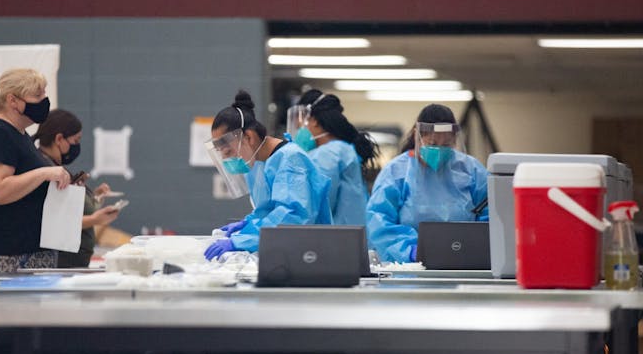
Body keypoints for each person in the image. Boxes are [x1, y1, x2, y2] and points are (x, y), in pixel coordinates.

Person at [204, 90, 332, 259]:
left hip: (310, 256)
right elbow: (267, 213)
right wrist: (247, 224)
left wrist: (240, 242)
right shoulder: (257, 164)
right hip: (284, 255)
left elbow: (292, 218)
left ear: (248, 137)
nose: (227, 159)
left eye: (228, 151)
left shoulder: (291, 160)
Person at [0, 68, 71, 275]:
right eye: (37, 95)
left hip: (31, 250)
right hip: (7, 252)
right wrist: (44, 174)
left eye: (44, 93)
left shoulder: (20, 135)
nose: (44, 100)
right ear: (12, 101)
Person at [366, 103, 489, 263]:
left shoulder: (470, 170)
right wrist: (409, 250)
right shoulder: (397, 172)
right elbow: (378, 219)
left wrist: (476, 245)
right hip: (411, 267)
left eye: (446, 145)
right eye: (432, 144)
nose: (439, 150)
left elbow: (490, 215)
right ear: (418, 136)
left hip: (464, 263)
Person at [34, 109, 120, 267]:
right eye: (76, 140)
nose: (77, 146)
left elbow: (70, 208)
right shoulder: (49, 171)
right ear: (59, 139)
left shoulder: (55, 168)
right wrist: (95, 220)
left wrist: (95, 197)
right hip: (63, 259)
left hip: (73, 257)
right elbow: (57, 221)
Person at [288, 89, 379, 225]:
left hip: (336, 240)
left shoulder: (328, 154)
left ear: (313, 121)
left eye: (300, 126)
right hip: (348, 237)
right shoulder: (342, 150)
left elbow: (316, 205)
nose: (299, 131)